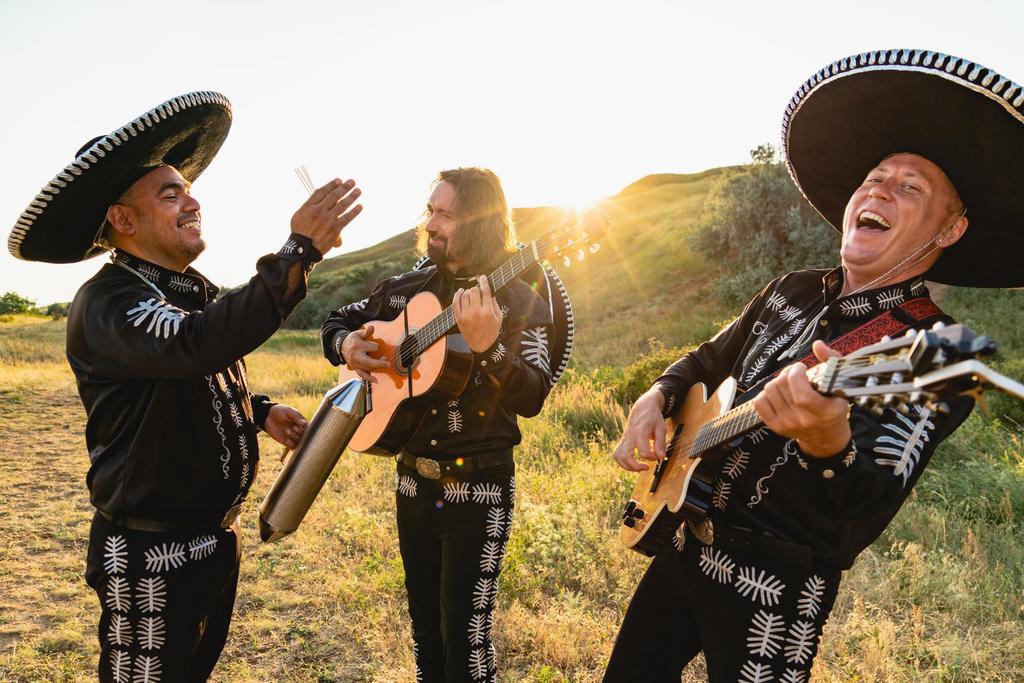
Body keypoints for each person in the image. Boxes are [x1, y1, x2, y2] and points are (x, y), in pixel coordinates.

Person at [603, 48, 1024, 682]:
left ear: (950, 230)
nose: (880, 187)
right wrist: (654, 397)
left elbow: (860, 515)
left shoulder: (944, 353)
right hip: (682, 544)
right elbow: (703, 361)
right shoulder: (788, 289)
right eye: (876, 176)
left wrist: (828, 440)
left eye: (911, 187)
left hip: (776, 591)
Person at [8, 92, 363, 682]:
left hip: (212, 548)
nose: (192, 201)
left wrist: (260, 410)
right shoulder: (109, 301)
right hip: (149, 559)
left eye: (188, 189)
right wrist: (299, 251)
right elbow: (193, 345)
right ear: (122, 220)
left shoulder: (185, 290)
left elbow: (190, 372)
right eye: (168, 195)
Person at [321, 167, 559, 682]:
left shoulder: (520, 301)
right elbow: (337, 320)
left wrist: (489, 348)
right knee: (426, 635)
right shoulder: (406, 289)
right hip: (412, 482)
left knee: (466, 644)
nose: (430, 223)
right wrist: (345, 345)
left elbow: (533, 395)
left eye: (444, 214)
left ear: (476, 220)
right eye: (430, 211)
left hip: (480, 488)